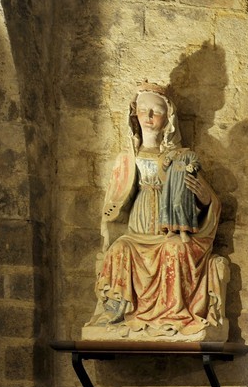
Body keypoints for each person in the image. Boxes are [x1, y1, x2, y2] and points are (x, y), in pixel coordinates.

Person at [86, 82, 228, 340]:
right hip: (138, 231)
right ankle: (117, 310)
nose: (149, 117)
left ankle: (172, 315)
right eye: (143, 110)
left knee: (175, 249)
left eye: (156, 111)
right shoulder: (127, 158)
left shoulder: (181, 156)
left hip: (168, 230)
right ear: (134, 114)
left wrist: (205, 197)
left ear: (168, 118)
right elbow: (116, 200)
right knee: (119, 249)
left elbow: (206, 201)